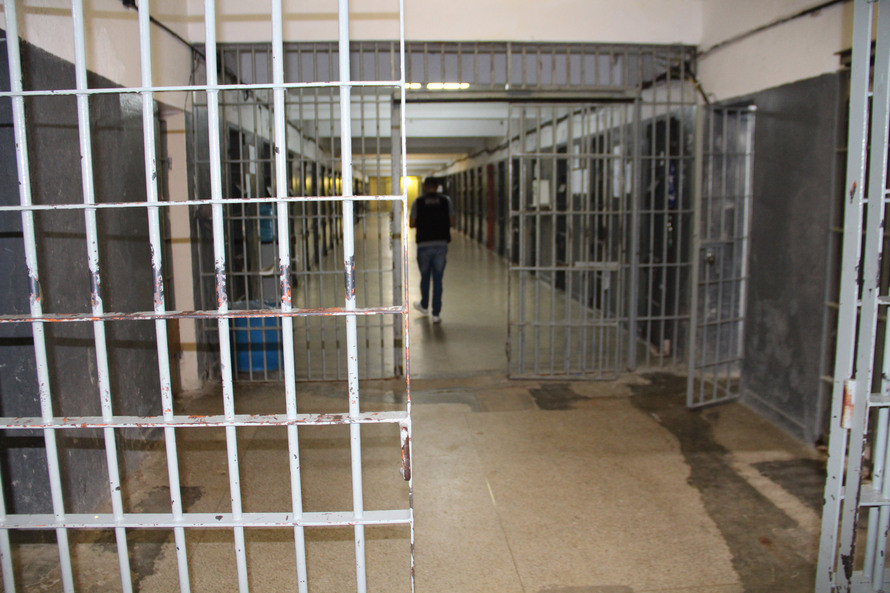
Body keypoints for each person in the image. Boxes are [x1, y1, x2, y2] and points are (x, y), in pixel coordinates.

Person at [409, 177, 454, 323]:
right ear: (437, 187)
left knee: (425, 277)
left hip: (424, 245)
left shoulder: (418, 201)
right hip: (441, 244)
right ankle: (436, 314)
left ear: (425, 187)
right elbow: (452, 221)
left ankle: (424, 305)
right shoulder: (446, 201)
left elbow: (412, 223)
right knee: (438, 280)